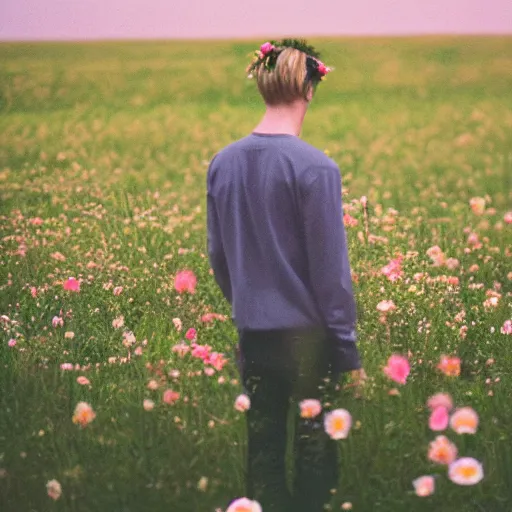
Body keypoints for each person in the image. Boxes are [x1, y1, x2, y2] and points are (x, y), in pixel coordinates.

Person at [206, 39, 366, 512]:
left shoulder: (223, 162)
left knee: (264, 457)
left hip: (254, 334)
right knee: (316, 458)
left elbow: (219, 255)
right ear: (310, 88)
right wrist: (346, 349)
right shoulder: (317, 168)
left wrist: (247, 306)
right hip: (310, 340)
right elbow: (331, 273)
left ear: (263, 85)